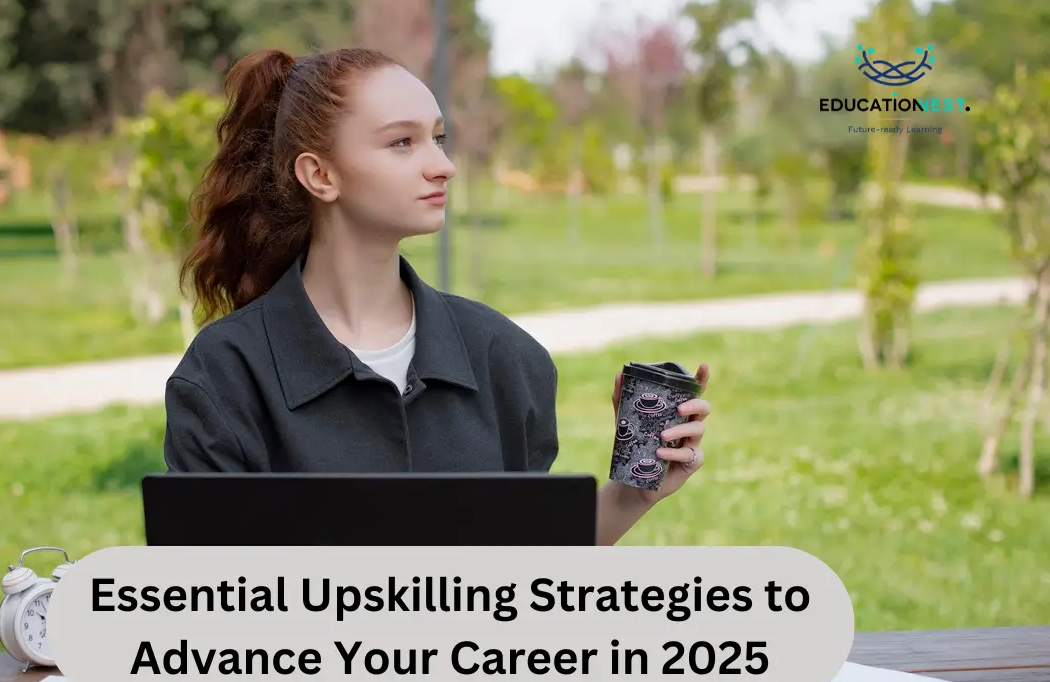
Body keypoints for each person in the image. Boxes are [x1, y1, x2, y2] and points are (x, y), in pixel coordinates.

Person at [162, 47, 711, 546]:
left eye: (438, 138)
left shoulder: (507, 358)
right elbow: (211, 612)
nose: (442, 165)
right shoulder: (223, 378)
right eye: (403, 142)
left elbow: (521, 578)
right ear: (320, 174)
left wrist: (629, 495)